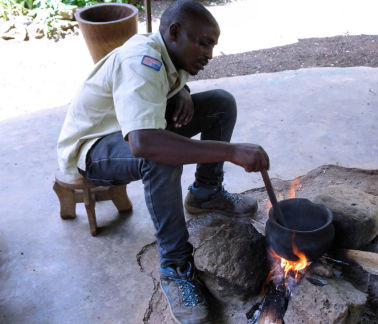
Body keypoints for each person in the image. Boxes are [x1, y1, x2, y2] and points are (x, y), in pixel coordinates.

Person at [56, 1, 269, 322]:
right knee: (159, 158)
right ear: (174, 32)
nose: (209, 54)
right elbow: (144, 143)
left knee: (220, 103)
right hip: (92, 149)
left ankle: (205, 193)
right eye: (203, 43)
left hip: (126, 128)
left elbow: (161, 86)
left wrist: (181, 88)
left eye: (212, 45)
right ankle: (175, 268)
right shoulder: (142, 62)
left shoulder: (169, 53)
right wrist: (232, 151)